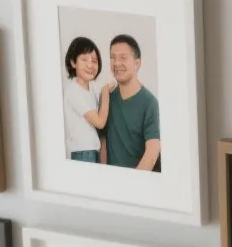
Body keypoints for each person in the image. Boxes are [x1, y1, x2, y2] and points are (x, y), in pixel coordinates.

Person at [102, 34, 161, 171]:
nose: (116, 63)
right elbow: (103, 142)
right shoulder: (107, 98)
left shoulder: (150, 103)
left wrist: (133, 184)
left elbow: (152, 150)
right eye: (112, 57)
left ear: (137, 63)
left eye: (123, 58)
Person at [62, 36, 112, 162]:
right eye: (84, 59)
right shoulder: (73, 91)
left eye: (94, 61)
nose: (90, 65)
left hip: (93, 151)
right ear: (73, 62)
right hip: (83, 153)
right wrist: (106, 91)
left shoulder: (92, 88)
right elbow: (100, 122)